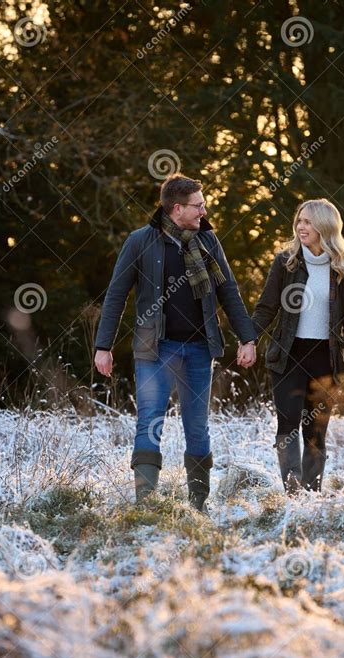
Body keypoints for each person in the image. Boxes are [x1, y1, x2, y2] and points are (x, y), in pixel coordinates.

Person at [94, 173, 257, 512]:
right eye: (198, 206)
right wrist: (103, 346)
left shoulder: (208, 242)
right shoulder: (140, 241)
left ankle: (198, 507)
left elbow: (228, 291)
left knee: (197, 427)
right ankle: (147, 507)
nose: (204, 211)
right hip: (156, 349)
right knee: (149, 422)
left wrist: (248, 338)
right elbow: (116, 295)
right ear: (177, 208)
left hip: (200, 349)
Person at [239, 198, 344, 494]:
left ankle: (311, 495)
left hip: (326, 358)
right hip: (288, 355)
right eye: (300, 220)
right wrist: (249, 339)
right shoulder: (286, 262)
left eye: (308, 221)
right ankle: (293, 492)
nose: (300, 226)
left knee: (316, 430)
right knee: (289, 422)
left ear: (325, 227)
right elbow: (266, 307)